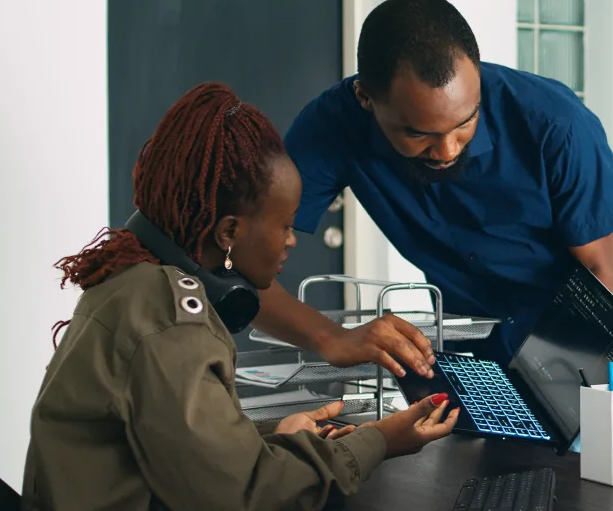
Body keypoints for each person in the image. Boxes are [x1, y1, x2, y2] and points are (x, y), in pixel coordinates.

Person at [22, 83, 459, 511]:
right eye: (285, 225)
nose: (291, 241)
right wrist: (380, 440)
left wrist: (274, 443)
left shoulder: (134, 283)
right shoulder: (171, 324)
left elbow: (180, 453)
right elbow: (244, 495)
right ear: (229, 232)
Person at [264, 0, 613, 449]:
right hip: (483, 364)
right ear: (366, 99)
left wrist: (550, 400)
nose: (448, 150)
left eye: (465, 122)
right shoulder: (332, 126)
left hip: (594, 354)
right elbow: (246, 262)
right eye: (418, 134)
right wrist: (329, 338)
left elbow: (602, 270)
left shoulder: (555, 123)